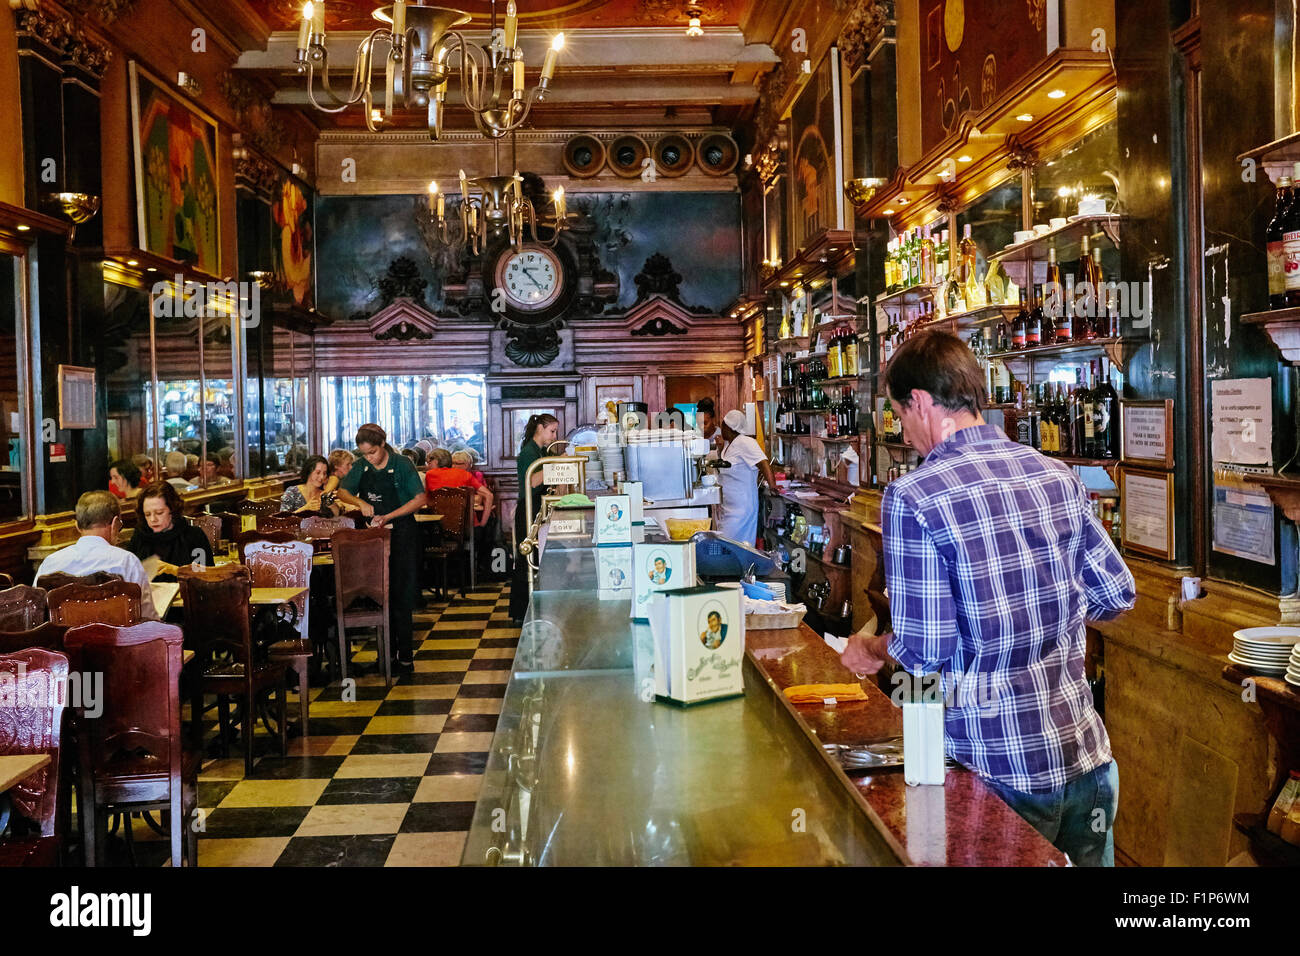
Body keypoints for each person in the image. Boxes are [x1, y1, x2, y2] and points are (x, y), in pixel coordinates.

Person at [838, 330, 1135, 867]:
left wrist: (871, 648)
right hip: (1086, 760)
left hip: (995, 768)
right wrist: (1045, 617)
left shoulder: (914, 497)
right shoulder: (1055, 474)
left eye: (901, 416)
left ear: (922, 404)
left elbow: (925, 650)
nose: (905, 434)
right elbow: (1117, 593)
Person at [334, 423, 428, 672]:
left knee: (401, 595)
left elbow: (420, 499)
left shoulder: (402, 465)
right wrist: (360, 502)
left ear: (382, 445)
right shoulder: (361, 466)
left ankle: (405, 657)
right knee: (379, 595)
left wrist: (389, 516)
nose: (369, 458)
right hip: (374, 538)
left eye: (372, 452)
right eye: (364, 454)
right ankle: (385, 656)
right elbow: (342, 491)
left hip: (403, 535)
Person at [35, 491, 159, 619]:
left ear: (77, 526)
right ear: (115, 523)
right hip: (114, 639)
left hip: (63, 639)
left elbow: (37, 615)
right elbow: (148, 618)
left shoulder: (50, 563)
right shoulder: (126, 561)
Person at [508, 413, 559, 621]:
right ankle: (521, 612)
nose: (555, 435)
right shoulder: (529, 452)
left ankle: (528, 609)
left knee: (532, 558)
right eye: (552, 431)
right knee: (525, 558)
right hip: (528, 507)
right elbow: (532, 481)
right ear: (540, 429)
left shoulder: (539, 451)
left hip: (535, 505)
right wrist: (558, 465)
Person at [126, 481, 214, 576]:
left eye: (159, 513)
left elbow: (206, 576)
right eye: (147, 514)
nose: (153, 519)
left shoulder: (193, 536)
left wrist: (176, 570)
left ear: (172, 510)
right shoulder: (140, 535)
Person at [716, 409, 776, 544]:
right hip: (729, 505)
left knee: (737, 544)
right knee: (727, 543)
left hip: (742, 507)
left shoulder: (746, 442)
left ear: (730, 427)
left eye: (723, 425)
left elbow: (763, 462)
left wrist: (772, 485)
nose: (721, 429)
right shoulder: (728, 444)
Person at [425, 448, 492, 521]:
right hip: (467, 524)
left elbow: (427, 500)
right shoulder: (465, 474)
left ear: (436, 461)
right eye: (453, 463)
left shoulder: (429, 474)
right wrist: (483, 523)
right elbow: (489, 495)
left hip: (439, 524)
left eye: (429, 463)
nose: (427, 466)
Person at [451, 450, 493, 525]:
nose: (454, 466)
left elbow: (480, 499)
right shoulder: (449, 476)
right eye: (452, 463)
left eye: (458, 463)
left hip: (474, 514)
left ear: (468, 464)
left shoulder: (476, 475)